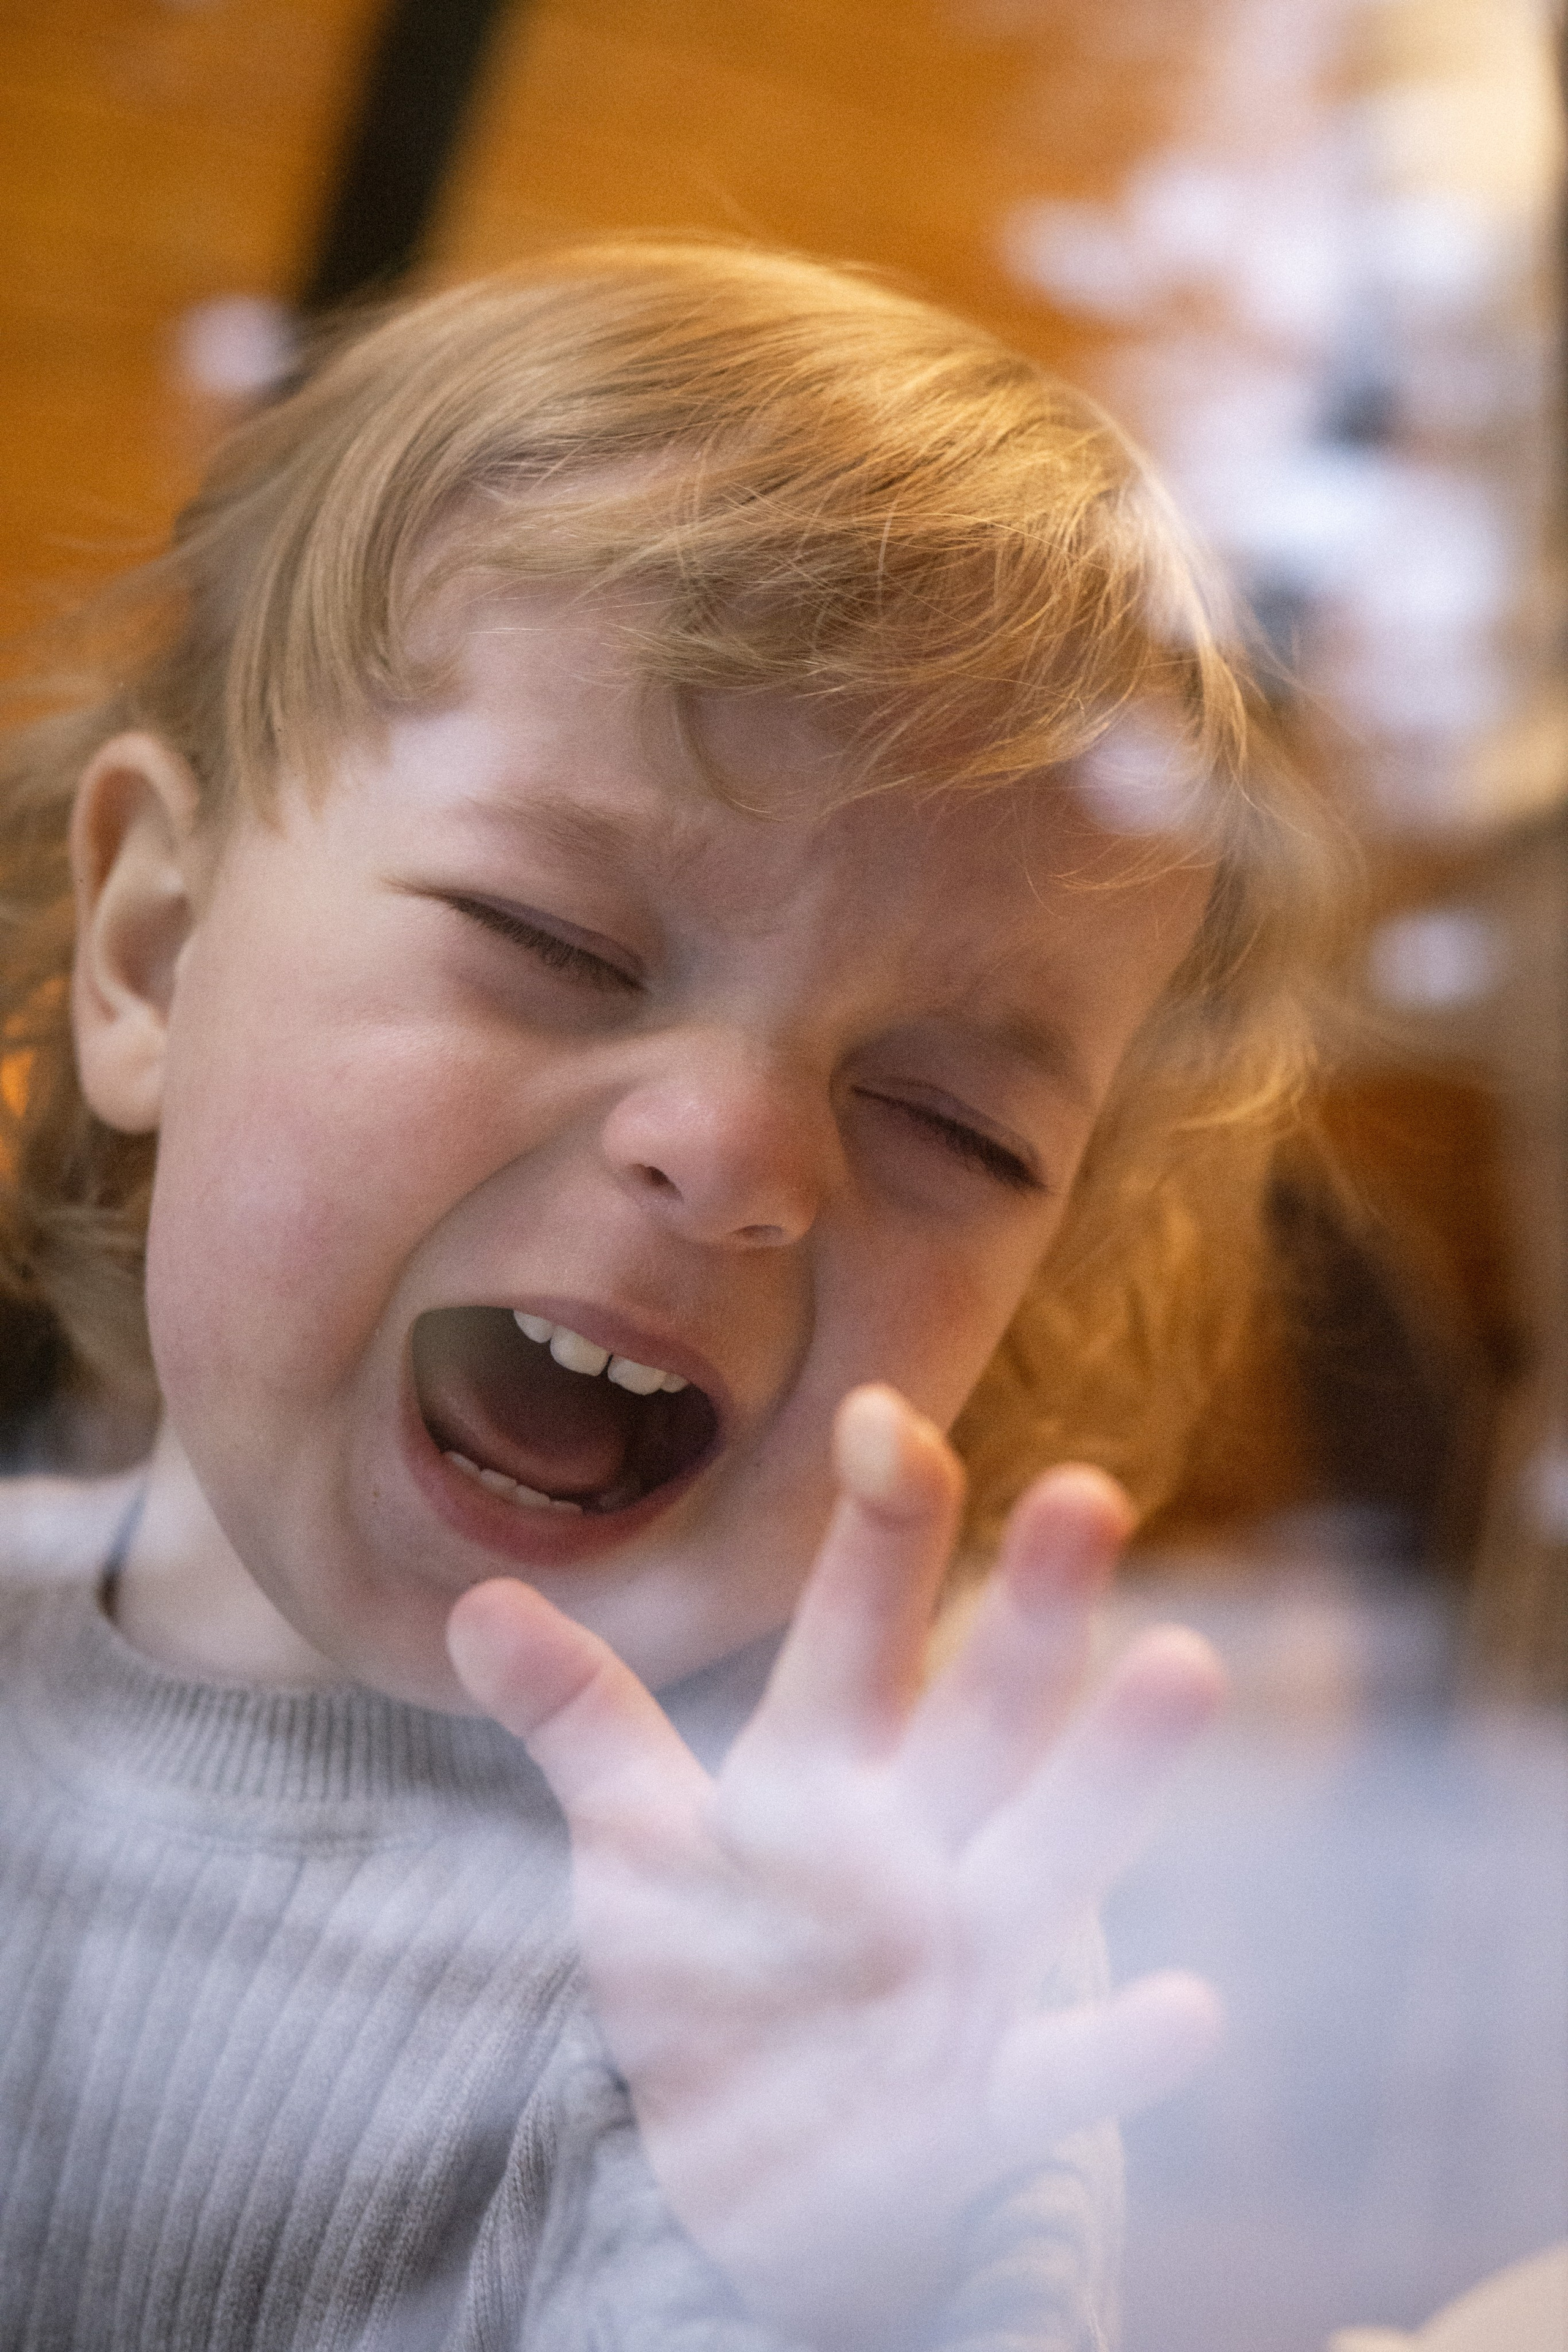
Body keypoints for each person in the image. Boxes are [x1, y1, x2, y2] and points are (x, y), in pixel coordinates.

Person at [0, 241, 1336, 2350]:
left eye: (948, 1126)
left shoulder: (829, 1958)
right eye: (554, 938)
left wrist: (834, 2274)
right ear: (153, 955)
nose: (730, 1158)